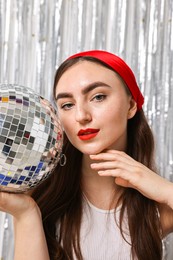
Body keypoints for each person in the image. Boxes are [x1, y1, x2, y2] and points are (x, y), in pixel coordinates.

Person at [1, 50, 173, 260]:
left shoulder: (158, 208)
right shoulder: (41, 198)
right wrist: (26, 214)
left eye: (98, 97)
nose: (81, 116)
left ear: (130, 105)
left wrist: (166, 190)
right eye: (67, 105)